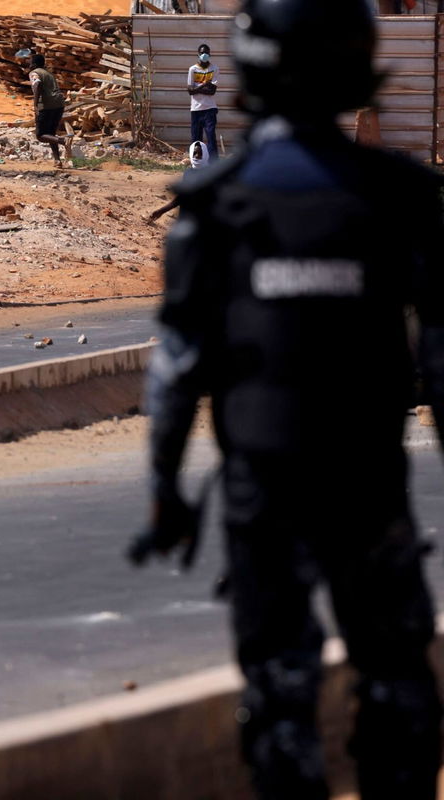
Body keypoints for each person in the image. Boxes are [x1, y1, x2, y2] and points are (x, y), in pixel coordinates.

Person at [128, 1, 444, 798]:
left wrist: (166, 491)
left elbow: (178, 364)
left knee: (278, 690)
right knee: (398, 686)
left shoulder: (215, 201)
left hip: (262, 490)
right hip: (370, 485)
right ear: (360, 70)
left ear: (249, 71)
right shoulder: (404, 196)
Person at [146, 141, 207, 223]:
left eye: (200, 154)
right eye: (194, 153)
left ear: (206, 154)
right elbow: (182, 197)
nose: (196, 156)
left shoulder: (212, 174)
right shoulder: (188, 173)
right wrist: (161, 211)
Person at [28, 52, 66, 167]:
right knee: (51, 134)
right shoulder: (48, 74)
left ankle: (62, 141)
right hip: (59, 104)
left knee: (40, 135)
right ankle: (57, 160)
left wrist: (35, 104)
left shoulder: (34, 73)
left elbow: (37, 85)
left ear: (34, 64)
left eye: (30, 63)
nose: (29, 66)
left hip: (46, 105)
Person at [188, 43, 219, 160]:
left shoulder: (214, 69)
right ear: (198, 54)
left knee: (211, 137)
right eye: (202, 53)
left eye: (206, 53)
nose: (204, 55)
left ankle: (214, 164)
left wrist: (197, 88)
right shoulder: (192, 69)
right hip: (196, 109)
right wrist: (205, 85)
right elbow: (190, 90)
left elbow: (212, 92)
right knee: (196, 139)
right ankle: (196, 163)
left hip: (210, 109)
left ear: (209, 54)